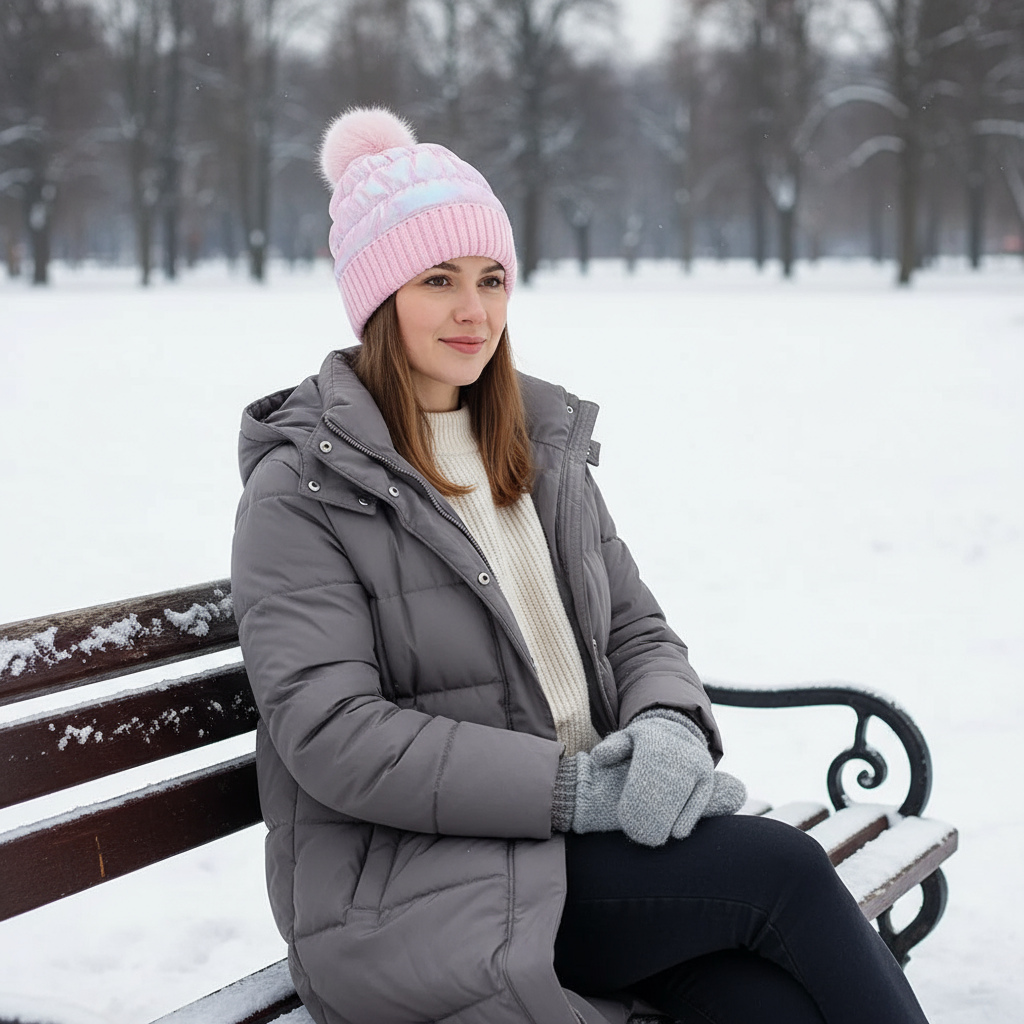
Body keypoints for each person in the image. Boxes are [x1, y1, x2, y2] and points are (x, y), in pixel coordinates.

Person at [230, 107, 931, 1024]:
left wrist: (670, 726)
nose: (474, 310)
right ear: (376, 299)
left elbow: (637, 629)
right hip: (413, 888)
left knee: (767, 1005)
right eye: (437, 280)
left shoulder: (534, 449)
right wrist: (572, 791)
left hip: (575, 860)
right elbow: (335, 735)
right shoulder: (301, 490)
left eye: (491, 278)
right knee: (782, 872)